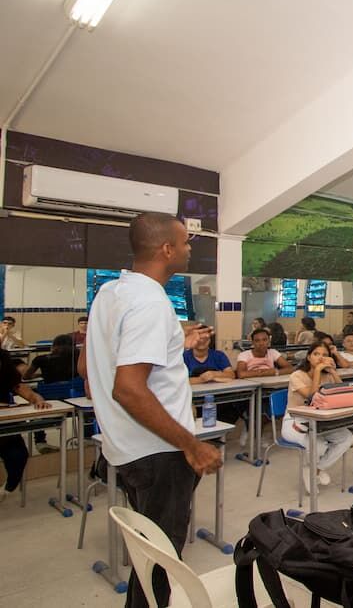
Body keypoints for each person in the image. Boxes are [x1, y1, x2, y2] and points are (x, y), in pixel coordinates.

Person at [80, 212, 222, 608]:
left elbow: (91, 369)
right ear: (166, 249)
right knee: (161, 565)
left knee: (149, 557)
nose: (190, 249)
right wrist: (191, 444)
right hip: (159, 453)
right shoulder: (151, 303)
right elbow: (128, 389)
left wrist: (175, 341)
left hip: (128, 449)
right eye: (185, 242)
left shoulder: (110, 294)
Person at [282, 342, 353, 491]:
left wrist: (333, 372)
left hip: (321, 420)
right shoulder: (296, 375)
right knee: (319, 444)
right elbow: (311, 397)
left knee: (347, 438)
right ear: (309, 357)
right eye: (316, 354)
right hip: (295, 421)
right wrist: (317, 372)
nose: (321, 358)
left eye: (325, 355)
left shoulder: (327, 375)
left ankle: (315, 469)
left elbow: (343, 391)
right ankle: (313, 469)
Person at [0, 348, 49, 503]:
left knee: (19, 455)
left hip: (5, 424)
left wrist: (37, 399)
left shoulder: (4, 362)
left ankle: (7, 488)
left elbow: (21, 388)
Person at [23, 333, 77, 453]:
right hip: (73, 398)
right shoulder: (78, 357)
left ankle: (40, 441)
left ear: (54, 345)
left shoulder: (41, 359)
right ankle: (87, 436)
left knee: (33, 401)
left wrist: (43, 373)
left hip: (48, 399)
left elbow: (26, 376)